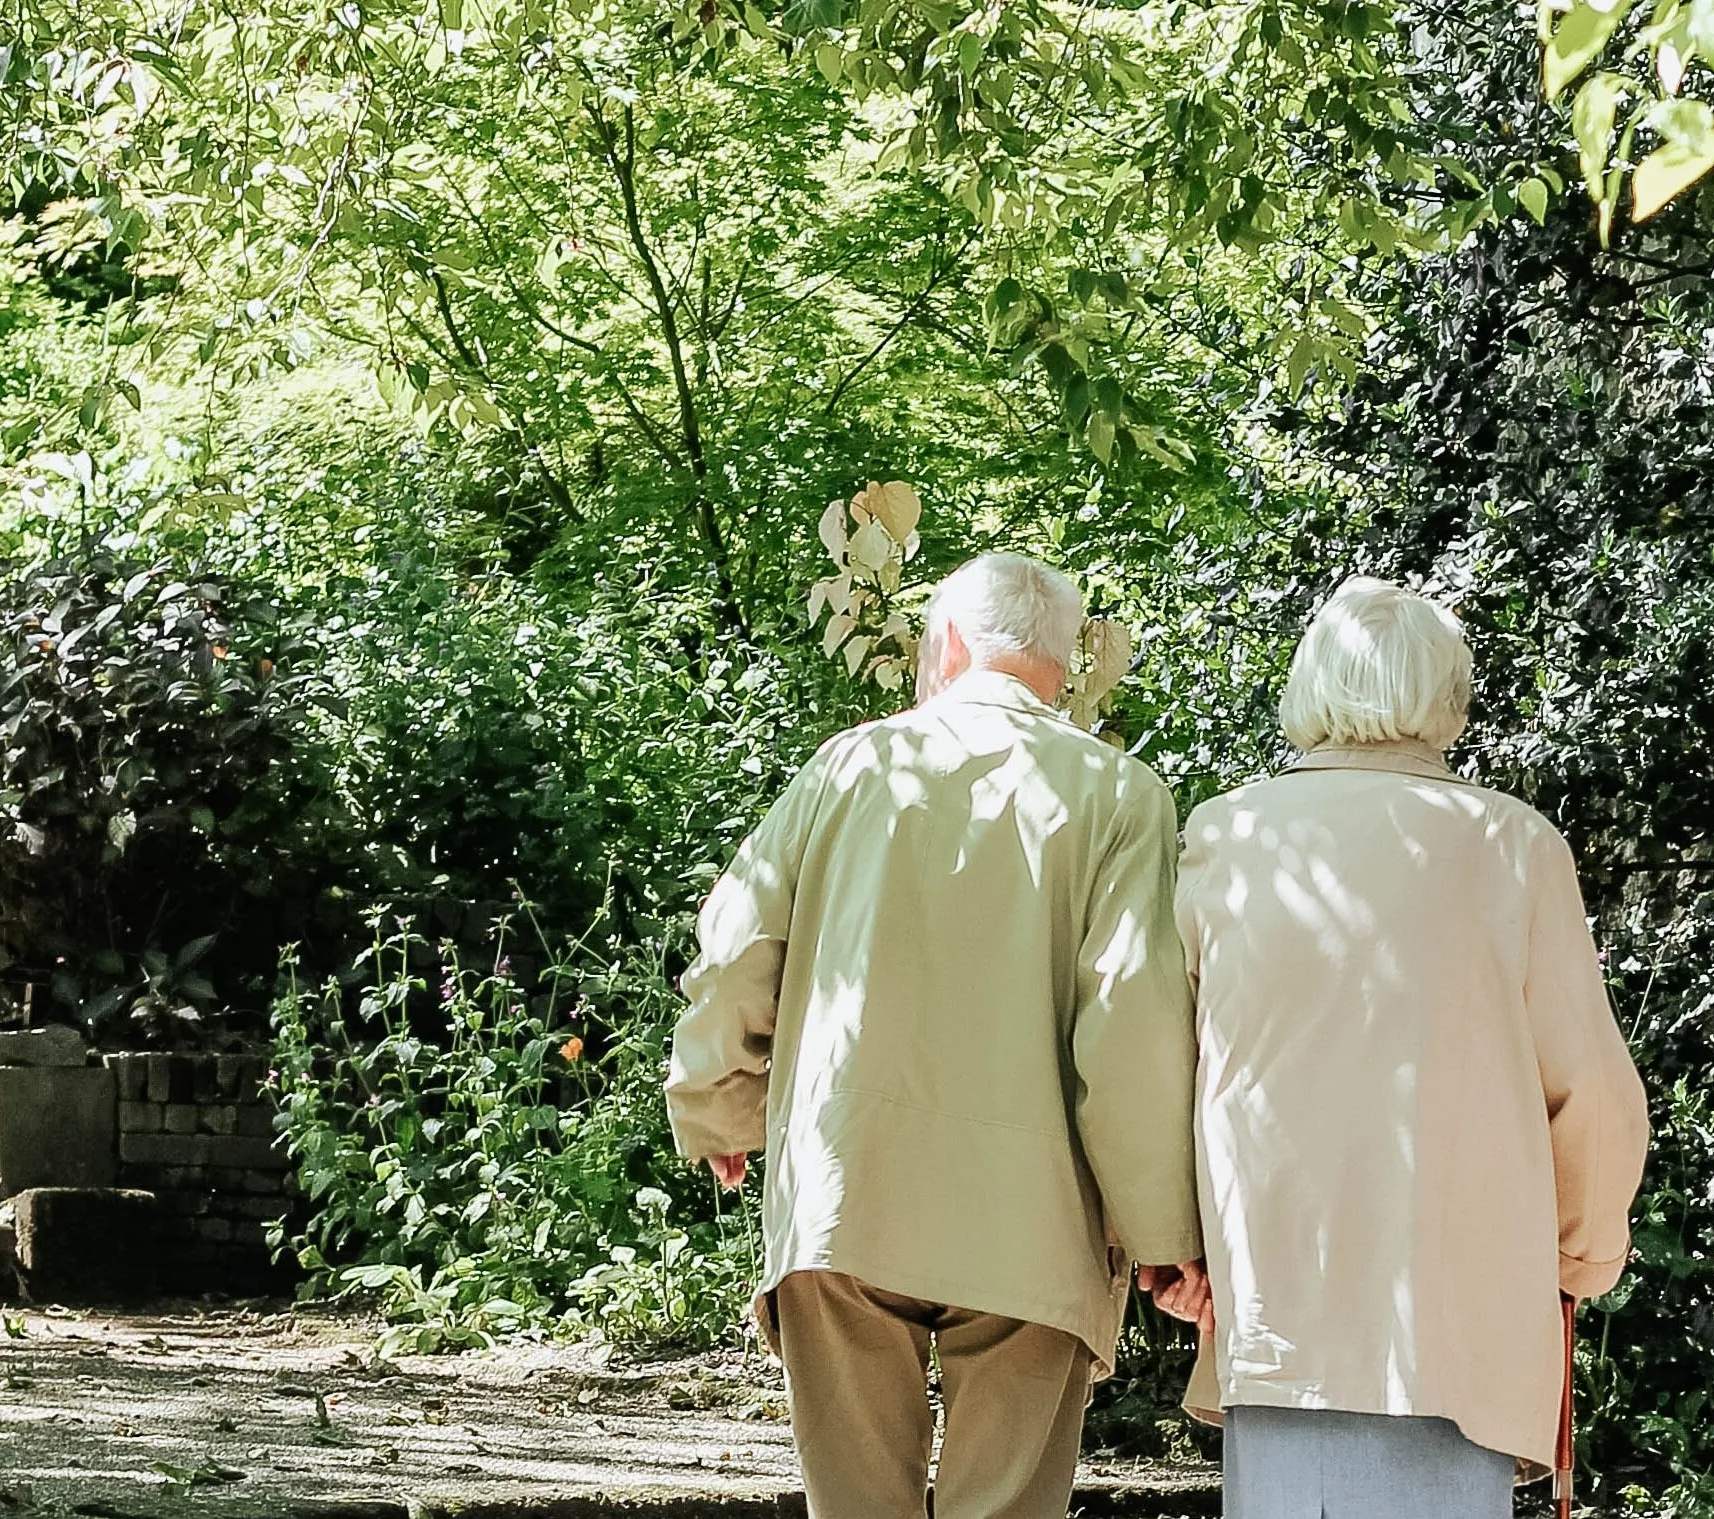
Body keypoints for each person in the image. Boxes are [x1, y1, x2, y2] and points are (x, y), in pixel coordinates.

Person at [665, 552, 1208, 1519]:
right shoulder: (1120, 795)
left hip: (846, 1185)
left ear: (949, 642)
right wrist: (1162, 1229)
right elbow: (1128, 1024)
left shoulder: (851, 763)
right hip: (1030, 1219)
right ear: (1065, 663)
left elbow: (738, 944)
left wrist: (718, 1105)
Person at [1172, 577, 1650, 1519]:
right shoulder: (1510, 844)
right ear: (1446, 695)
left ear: (1311, 685)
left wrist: (1171, 1247)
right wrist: (1579, 1256)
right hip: (1459, 1307)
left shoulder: (1228, 834)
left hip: (1275, 1290)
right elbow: (1589, 1084)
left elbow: (1169, 1061)